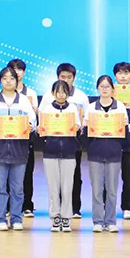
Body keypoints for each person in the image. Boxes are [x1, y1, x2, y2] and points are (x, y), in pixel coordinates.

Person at [0, 67, 37, 231]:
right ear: (0, 81)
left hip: (19, 150)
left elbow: (33, 121)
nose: (8, 81)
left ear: (16, 80)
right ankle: (0, 219)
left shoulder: (24, 101)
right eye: (5, 78)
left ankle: (16, 218)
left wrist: (29, 126)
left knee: (17, 188)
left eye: (11, 78)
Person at [40, 63, 89, 218]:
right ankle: (56, 213)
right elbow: (42, 118)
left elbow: (86, 117)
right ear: (57, 77)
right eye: (63, 77)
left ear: (74, 78)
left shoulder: (81, 96)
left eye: (69, 77)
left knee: (74, 177)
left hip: (72, 144)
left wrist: (80, 127)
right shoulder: (48, 97)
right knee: (54, 181)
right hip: (52, 144)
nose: (66, 80)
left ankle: (74, 209)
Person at [84, 75, 129, 233]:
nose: (104, 89)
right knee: (97, 189)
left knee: (111, 190)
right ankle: (97, 221)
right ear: (97, 88)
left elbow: (125, 130)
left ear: (112, 89)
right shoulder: (91, 108)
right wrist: (86, 126)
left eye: (107, 86)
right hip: (95, 152)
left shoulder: (120, 107)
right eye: (101, 86)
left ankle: (110, 221)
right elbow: (86, 133)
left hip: (114, 152)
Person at [38, 80, 81, 233]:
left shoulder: (73, 108)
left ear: (68, 93)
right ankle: (55, 217)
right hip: (50, 152)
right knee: (53, 187)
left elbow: (78, 128)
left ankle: (66, 218)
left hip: (69, 152)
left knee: (68, 187)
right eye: (58, 91)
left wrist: (77, 128)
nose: (61, 95)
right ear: (53, 93)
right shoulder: (47, 109)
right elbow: (42, 131)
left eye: (64, 92)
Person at [8, 58, 39, 218]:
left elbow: (34, 119)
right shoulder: (2, 94)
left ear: (24, 72)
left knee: (27, 172)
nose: (17, 73)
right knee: (7, 173)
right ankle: (8, 206)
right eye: (14, 70)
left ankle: (27, 205)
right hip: (7, 139)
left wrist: (35, 113)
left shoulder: (31, 93)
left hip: (26, 140)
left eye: (20, 69)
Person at [113, 61, 130, 220]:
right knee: (109, 178)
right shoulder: (109, 93)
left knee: (129, 178)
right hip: (112, 142)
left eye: (126, 73)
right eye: (120, 73)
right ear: (115, 75)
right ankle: (107, 207)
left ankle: (128, 207)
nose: (123, 76)